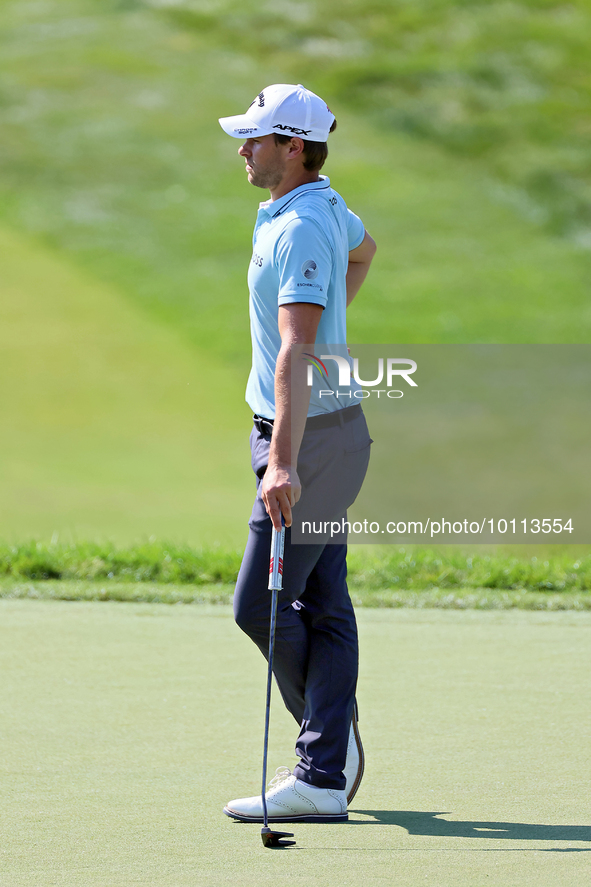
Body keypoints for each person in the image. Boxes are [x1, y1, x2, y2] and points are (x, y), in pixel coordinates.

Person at [218, 83, 377, 823]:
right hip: (321, 432)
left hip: (310, 444)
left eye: (254, 138)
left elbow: (295, 349)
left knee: (262, 604)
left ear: (293, 147)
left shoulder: (303, 225)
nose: (242, 149)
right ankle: (327, 749)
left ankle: (321, 763)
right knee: (325, 601)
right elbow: (366, 250)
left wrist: (279, 463)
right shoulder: (314, 209)